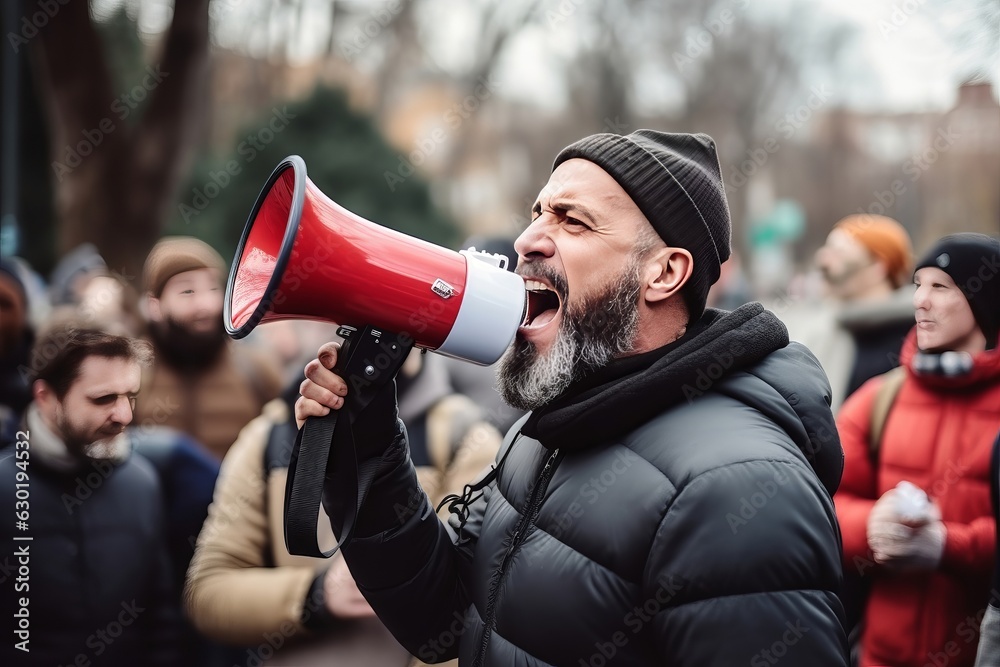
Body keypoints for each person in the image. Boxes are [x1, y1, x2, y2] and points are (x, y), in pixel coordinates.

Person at [296, 130, 850, 665]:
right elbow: (441, 620)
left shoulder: (738, 487)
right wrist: (364, 441)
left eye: (572, 221)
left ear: (664, 272)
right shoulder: (548, 426)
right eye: (539, 212)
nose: (527, 239)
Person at [184, 345, 502, 666]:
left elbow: (469, 607)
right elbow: (207, 592)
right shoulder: (267, 437)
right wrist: (314, 595)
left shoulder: (465, 436)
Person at [834, 233, 1000, 667]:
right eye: (918, 285)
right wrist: (871, 525)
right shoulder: (878, 399)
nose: (920, 301)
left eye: (940, 287)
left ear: (985, 299)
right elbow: (819, 504)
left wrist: (949, 545)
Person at [0, 326, 181, 666]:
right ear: (45, 397)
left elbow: (161, 617)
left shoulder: (142, 484)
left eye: (131, 396)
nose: (125, 416)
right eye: (103, 399)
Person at [135, 236, 282, 460]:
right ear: (154, 306)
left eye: (213, 289)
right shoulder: (132, 374)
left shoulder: (255, 369)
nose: (205, 305)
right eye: (187, 292)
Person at [781, 214, 915, 413]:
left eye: (839, 252)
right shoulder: (824, 331)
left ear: (879, 267)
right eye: (826, 249)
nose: (822, 260)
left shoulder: (917, 333)